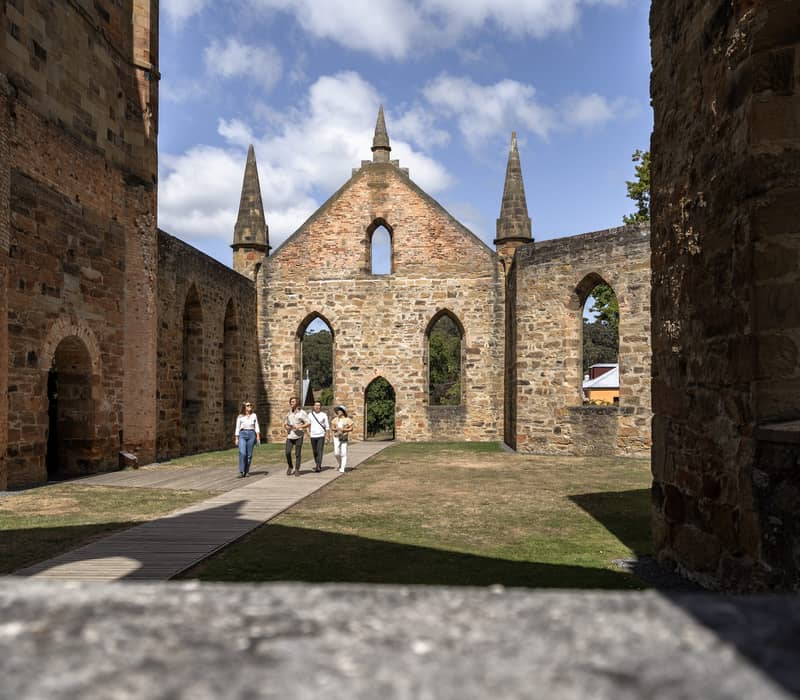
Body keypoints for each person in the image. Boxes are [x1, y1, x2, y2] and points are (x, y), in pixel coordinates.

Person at [284, 396, 310, 476]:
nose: (291, 403)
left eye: (293, 402)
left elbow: (308, 423)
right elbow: (285, 423)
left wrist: (300, 427)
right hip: (290, 435)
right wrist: (286, 426)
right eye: (291, 402)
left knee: (297, 453)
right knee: (287, 452)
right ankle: (290, 466)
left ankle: (297, 469)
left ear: (297, 403)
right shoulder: (289, 413)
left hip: (299, 435)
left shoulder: (302, 413)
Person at [234, 400, 260, 478]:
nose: (250, 406)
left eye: (250, 405)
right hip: (242, 434)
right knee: (242, 453)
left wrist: (258, 436)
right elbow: (237, 428)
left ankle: (247, 471)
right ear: (244, 407)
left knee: (249, 455)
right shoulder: (240, 416)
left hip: (252, 434)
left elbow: (257, 426)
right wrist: (236, 438)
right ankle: (241, 471)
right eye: (248, 405)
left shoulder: (254, 415)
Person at [308, 400, 330, 472]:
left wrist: (327, 436)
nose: (317, 407)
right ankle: (317, 463)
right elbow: (308, 425)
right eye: (316, 405)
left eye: (318, 405)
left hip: (321, 435)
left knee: (319, 450)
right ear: (313, 406)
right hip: (313, 435)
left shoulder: (323, 415)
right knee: (315, 451)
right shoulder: (310, 415)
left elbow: (327, 426)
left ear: (320, 407)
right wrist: (308, 432)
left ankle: (318, 465)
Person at [331, 405, 354, 473]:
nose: (338, 412)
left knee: (344, 453)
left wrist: (344, 429)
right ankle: (340, 464)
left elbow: (351, 428)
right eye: (337, 410)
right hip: (336, 437)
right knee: (336, 453)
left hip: (344, 438)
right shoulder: (335, 419)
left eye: (340, 410)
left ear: (343, 411)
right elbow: (332, 428)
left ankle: (342, 468)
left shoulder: (348, 419)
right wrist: (337, 428)